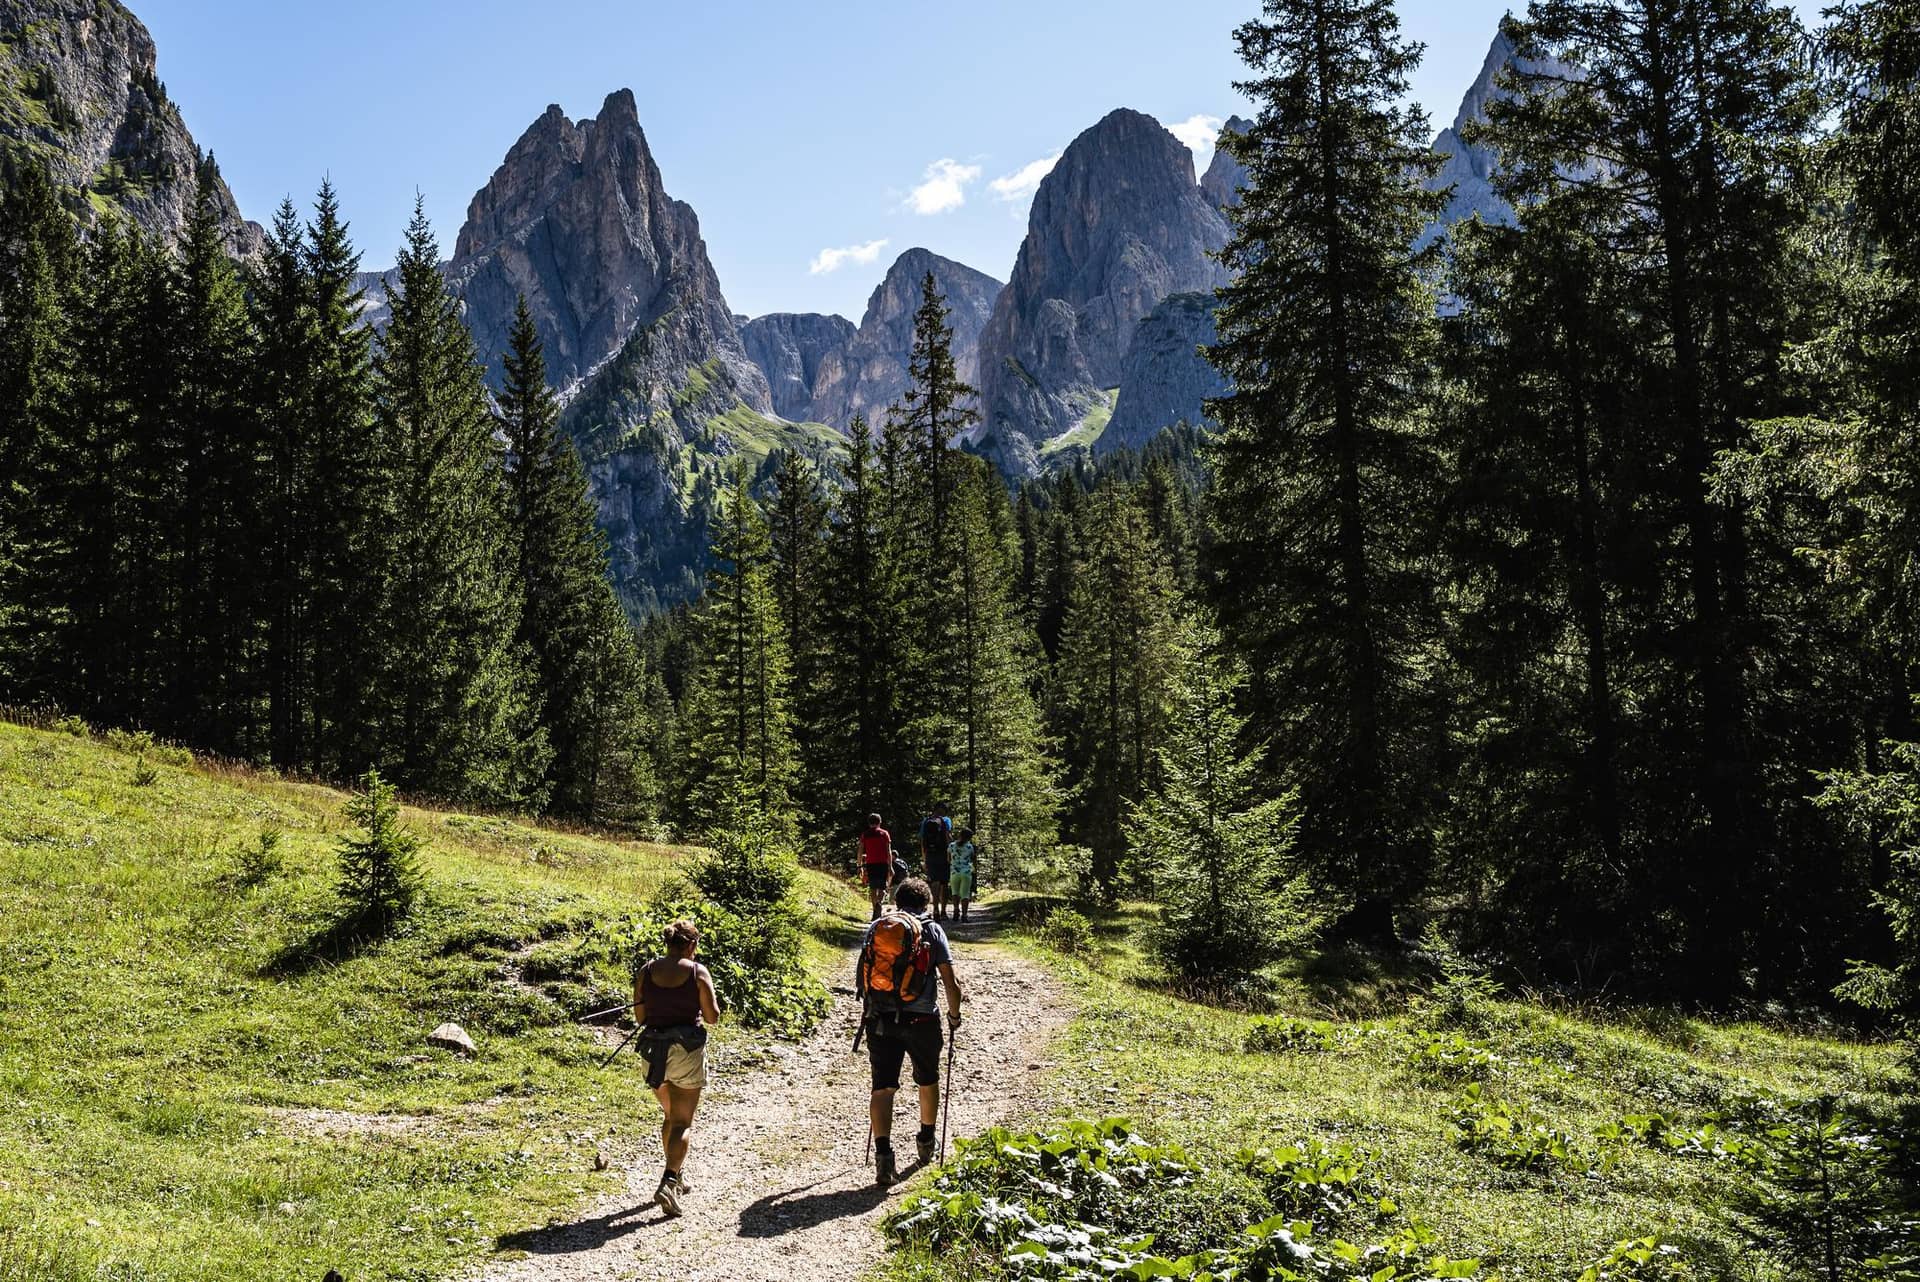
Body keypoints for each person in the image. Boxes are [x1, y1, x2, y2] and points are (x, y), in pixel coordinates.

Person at [859, 877, 963, 1185]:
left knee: (883, 1087)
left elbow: (864, 976)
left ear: (897, 899)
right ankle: (926, 1142)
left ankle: (883, 1156)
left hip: (881, 1018)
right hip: (922, 1021)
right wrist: (954, 1015)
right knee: (927, 1079)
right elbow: (949, 982)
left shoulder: (877, 927)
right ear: (926, 903)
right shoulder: (932, 930)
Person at [631, 919, 721, 1218]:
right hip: (685, 1051)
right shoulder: (697, 972)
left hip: (653, 1053)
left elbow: (640, 1016)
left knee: (669, 1115)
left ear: (667, 943)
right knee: (682, 1121)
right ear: (692, 945)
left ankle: (677, 1173)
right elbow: (712, 1017)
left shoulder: (647, 970)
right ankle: (669, 1181)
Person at [919, 803, 953, 921]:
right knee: (944, 883)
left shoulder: (925, 821)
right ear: (943, 811)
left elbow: (923, 841)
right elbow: (948, 837)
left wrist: (924, 858)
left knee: (934, 882)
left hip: (930, 855)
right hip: (943, 854)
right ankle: (943, 911)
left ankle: (935, 910)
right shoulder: (946, 821)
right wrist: (951, 855)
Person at [859, 812, 894, 921]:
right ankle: (879, 905)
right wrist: (890, 865)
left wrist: (859, 864)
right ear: (880, 822)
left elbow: (860, 850)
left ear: (869, 822)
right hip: (882, 863)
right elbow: (888, 851)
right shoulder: (884, 834)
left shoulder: (865, 834)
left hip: (871, 863)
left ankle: (875, 909)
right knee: (883, 887)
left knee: (873, 888)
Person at [948, 827, 977, 922]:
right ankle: (964, 915)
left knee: (955, 893)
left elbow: (948, 859)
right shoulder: (969, 847)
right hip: (966, 872)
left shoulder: (951, 845)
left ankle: (956, 910)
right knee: (965, 894)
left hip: (954, 872)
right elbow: (973, 858)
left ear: (960, 835)